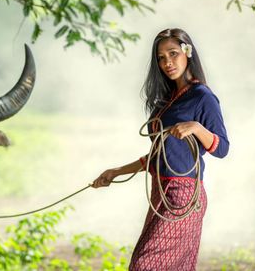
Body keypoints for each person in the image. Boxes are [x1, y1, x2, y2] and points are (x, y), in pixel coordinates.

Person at [92, 28, 229, 271]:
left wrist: (196, 127)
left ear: (188, 53)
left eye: (173, 53)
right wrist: (116, 171)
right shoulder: (168, 100)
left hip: (184, 195)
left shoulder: (202, 97)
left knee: (144, 265)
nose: (167, 62)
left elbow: (222, 148)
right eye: (161, 57)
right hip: (162, 191)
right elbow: (159, 156)